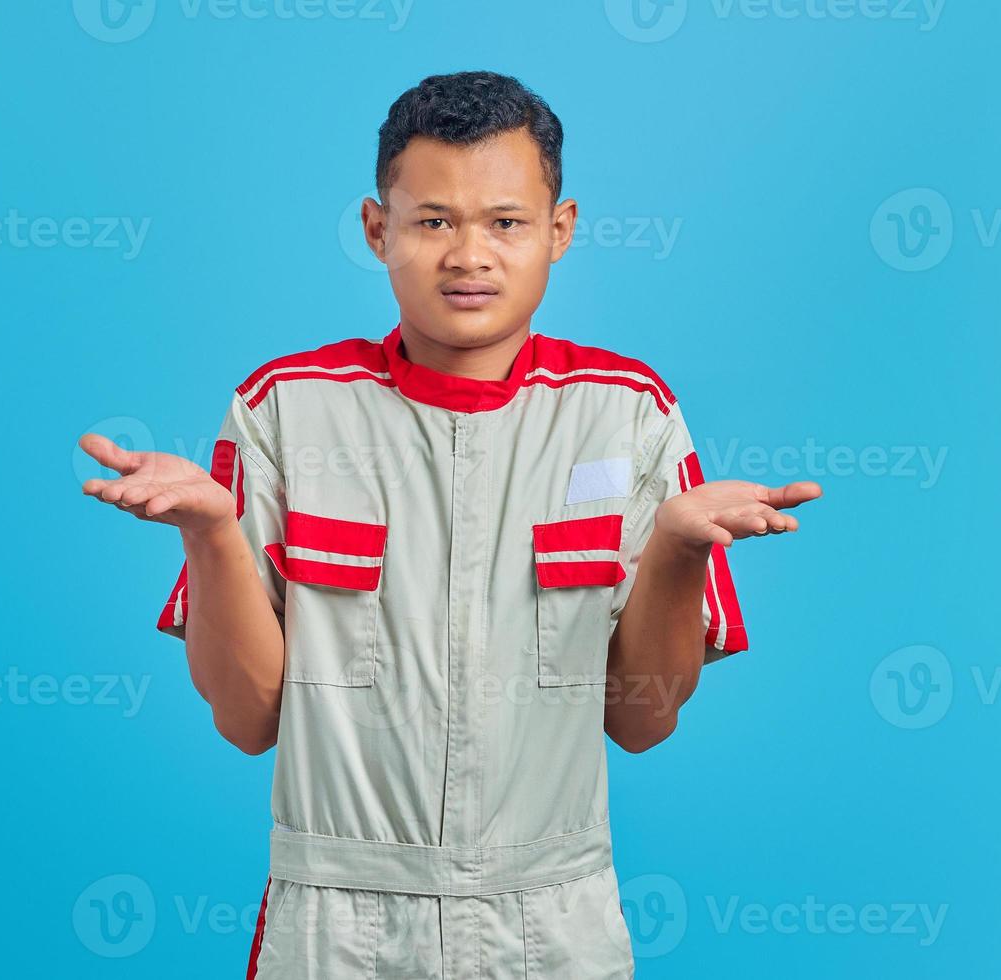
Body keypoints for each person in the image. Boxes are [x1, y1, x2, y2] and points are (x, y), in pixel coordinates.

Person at [80, 70, 821, 979]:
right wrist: (210, 533)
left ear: (560, 229)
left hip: (552, 924)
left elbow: (643, 724)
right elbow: (248, 720)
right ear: (376, 229)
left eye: (505, 222)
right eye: (434, 221)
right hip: (339, 929)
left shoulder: (627, 412)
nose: (469, 254)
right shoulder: (286, 409)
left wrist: (672, 548)